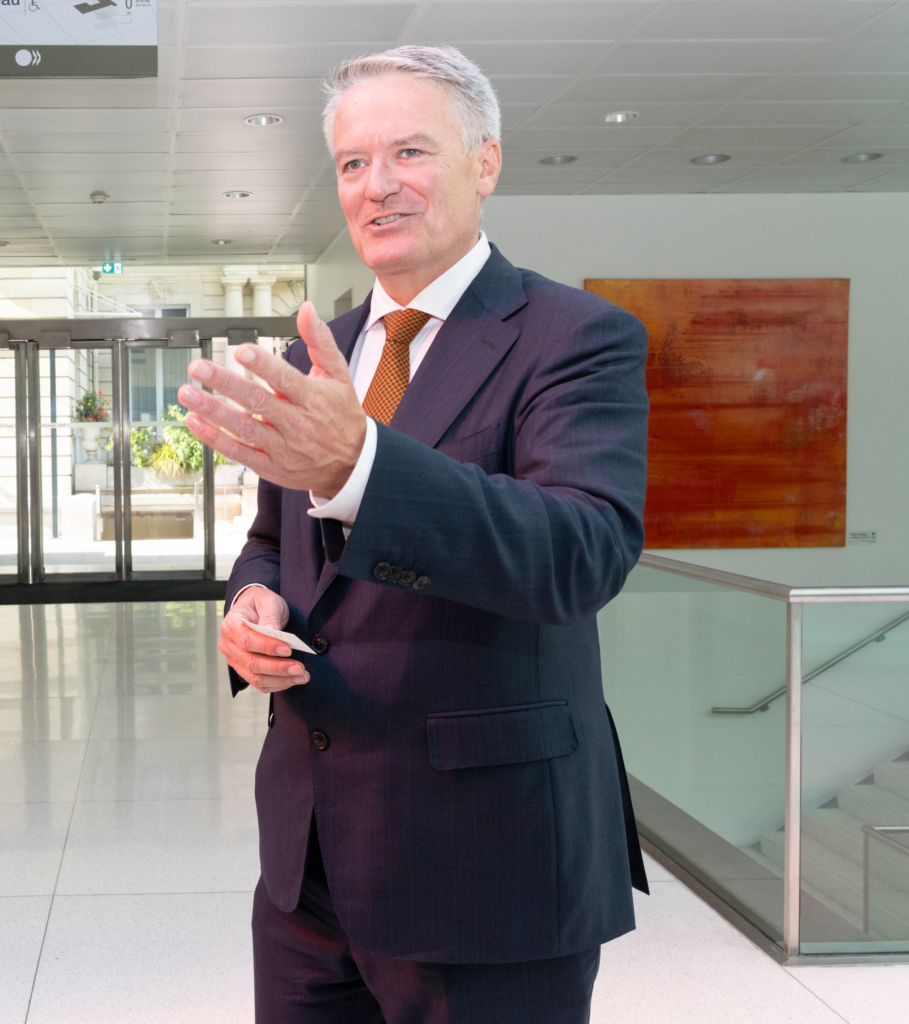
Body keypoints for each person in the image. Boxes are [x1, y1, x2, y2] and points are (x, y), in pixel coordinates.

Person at [177, 46, 650, 1023]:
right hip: (307, 863)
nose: (376, 186)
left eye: (409, 152)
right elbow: (273, 535)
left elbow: (582, 550)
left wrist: (363, 468)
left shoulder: (575, 337)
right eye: (353, 163)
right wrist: (250, 601)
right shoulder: (329, 348)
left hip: (490, 869)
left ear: (485, 164)